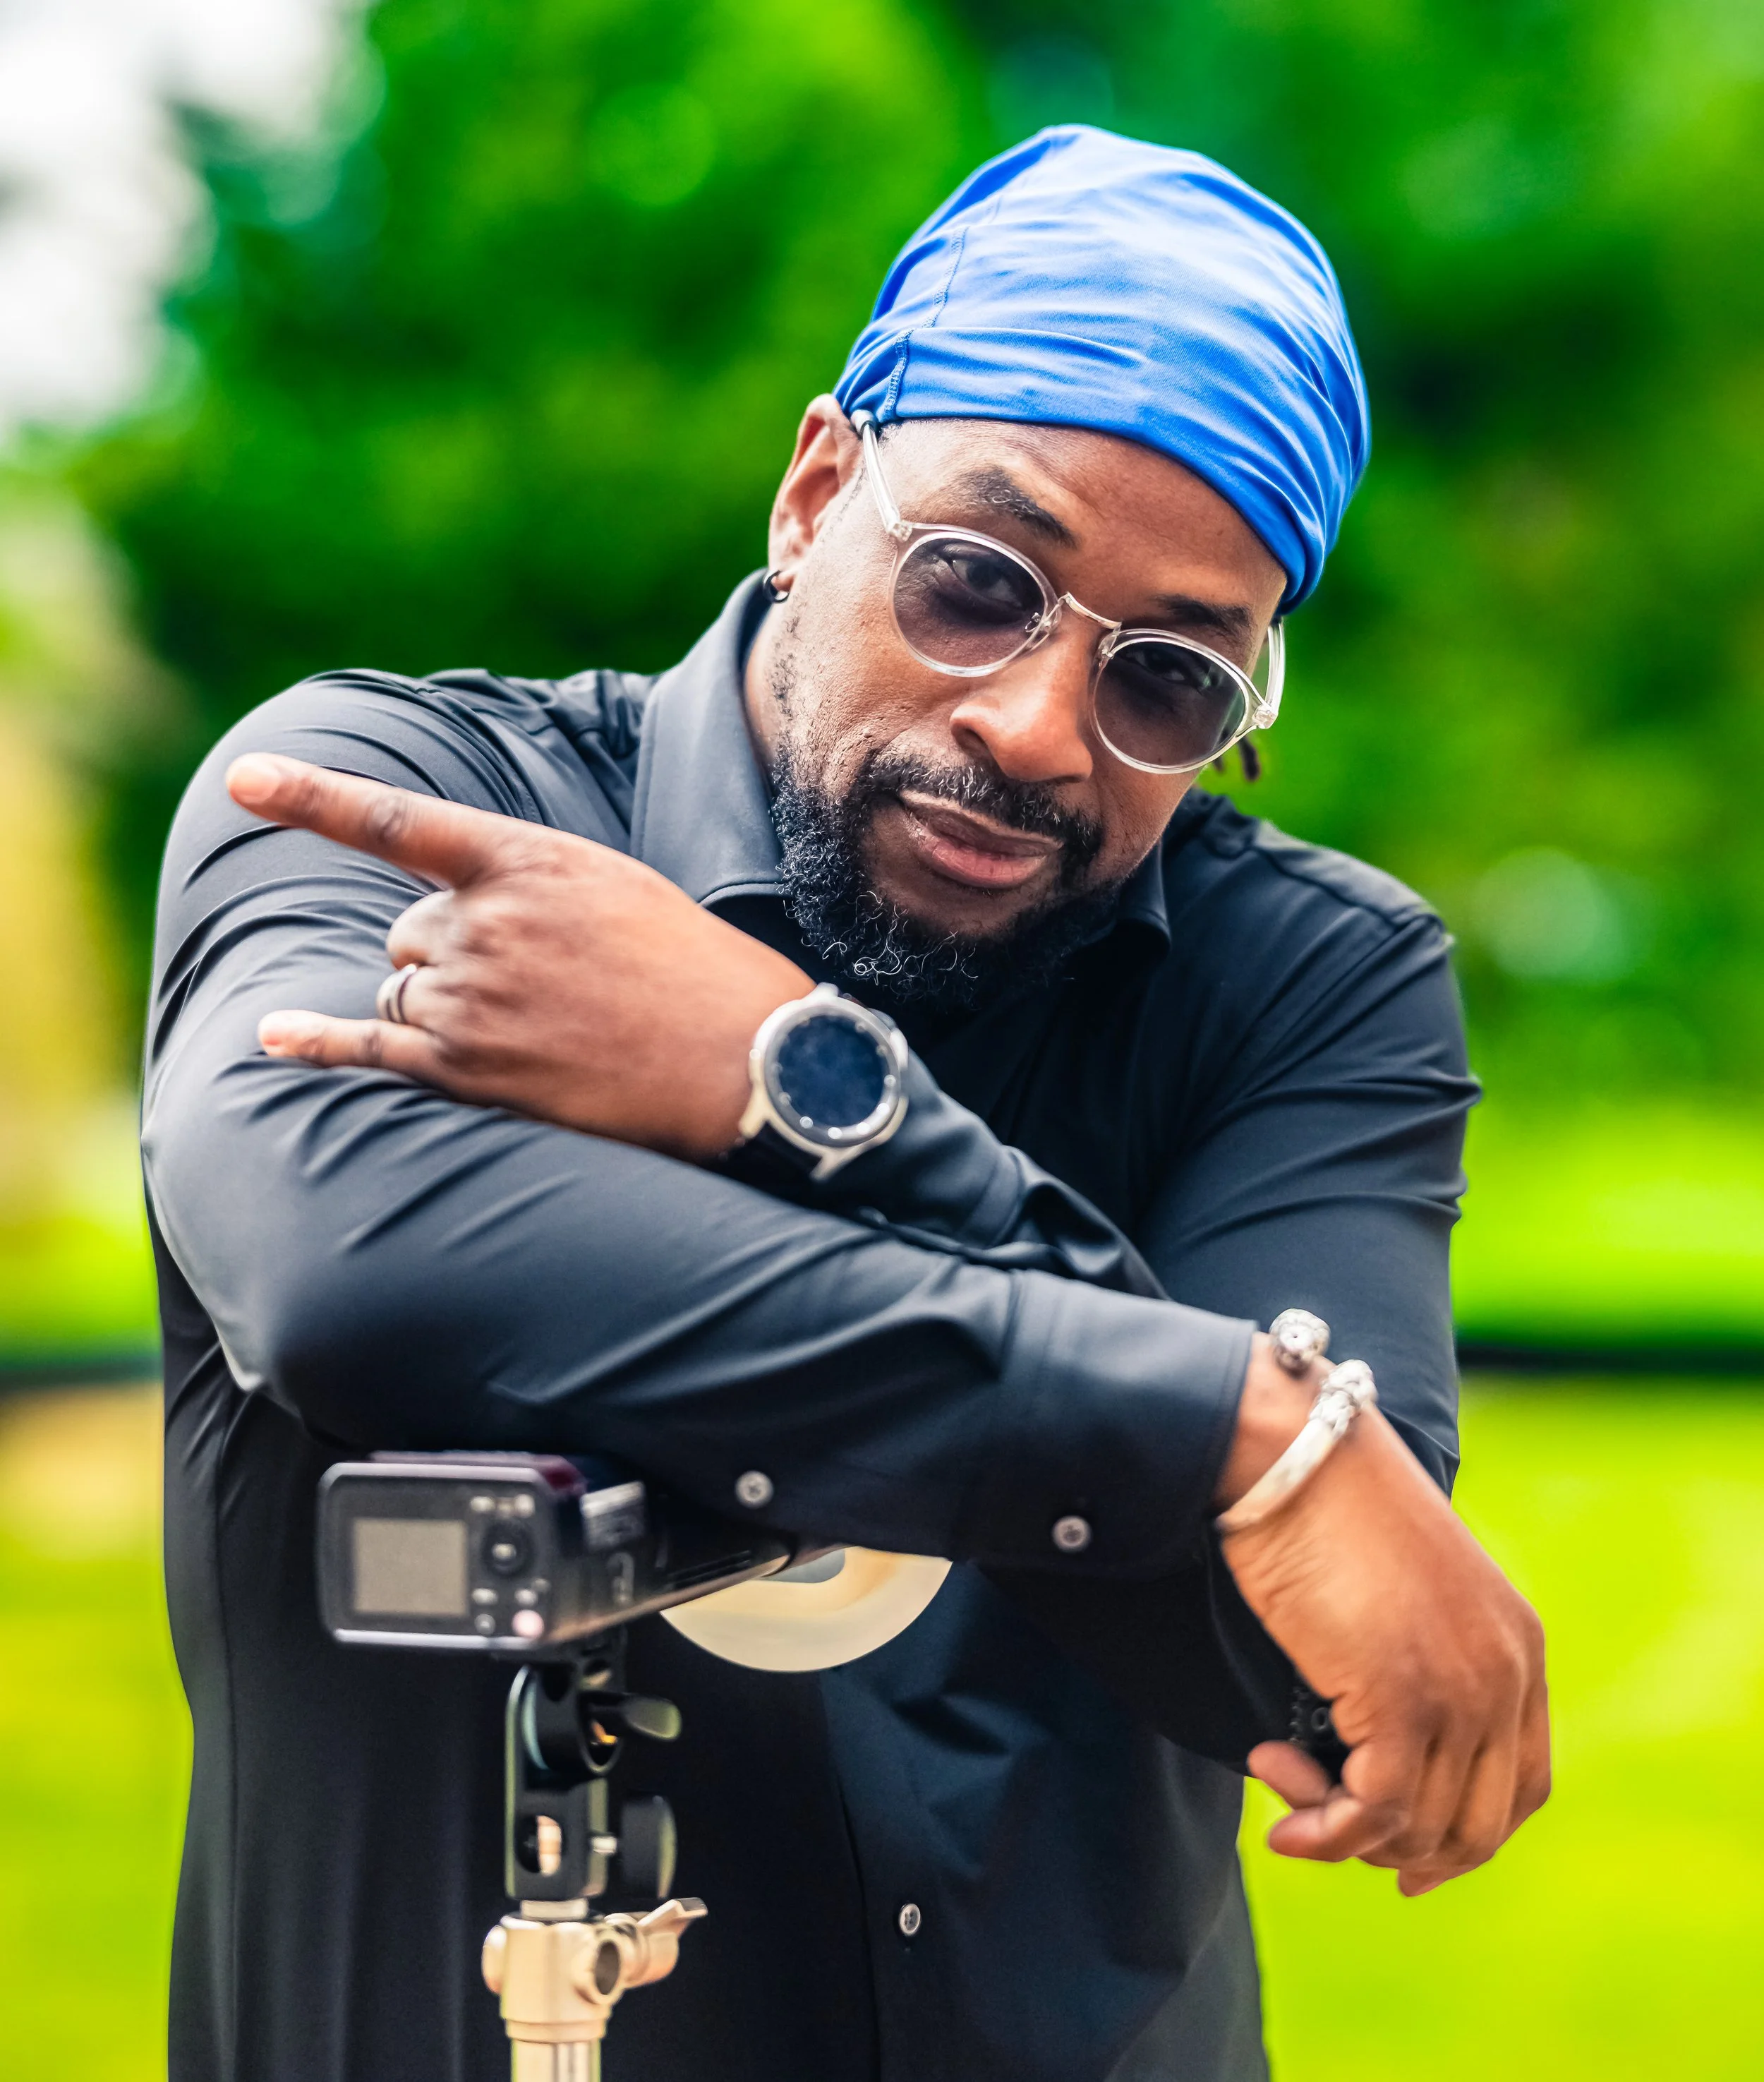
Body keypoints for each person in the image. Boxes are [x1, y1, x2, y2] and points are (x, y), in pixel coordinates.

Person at [145, 126, 1548, 2082]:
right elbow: (344, 1268)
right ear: (817, 491)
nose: (1034, 725)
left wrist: (817, 1102)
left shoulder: (1299, 977)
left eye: (1165, 683)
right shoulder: (409, 798)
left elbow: (1305, 1658)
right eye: (978, 581)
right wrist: (1222, 1417)